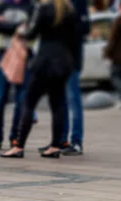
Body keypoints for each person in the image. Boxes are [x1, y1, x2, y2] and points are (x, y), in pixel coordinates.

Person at [0, 0, 78, 159]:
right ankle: (55, 146)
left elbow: (31, 34)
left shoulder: (43, 9)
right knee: (58, 103)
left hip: (44, 61)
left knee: (29, 102)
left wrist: (21, 30)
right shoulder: (69, 10)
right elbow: (74, 38)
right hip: (63, 61)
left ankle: (18, 146)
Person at [0, 0, 34, 151]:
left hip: (22, 56)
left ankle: (15, 138)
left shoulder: (30, 7)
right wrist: (18, 26)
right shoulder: (2, 5)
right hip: (2, 56)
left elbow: (30, 29)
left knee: (21, 99)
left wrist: (9, 26)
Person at [42, 0, 89, 156]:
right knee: (59, 100)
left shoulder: (78, 3)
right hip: (57, 58)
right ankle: (60, 140)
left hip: (71, 59)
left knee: (73, 99)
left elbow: (83, 28)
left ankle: (76, 141)